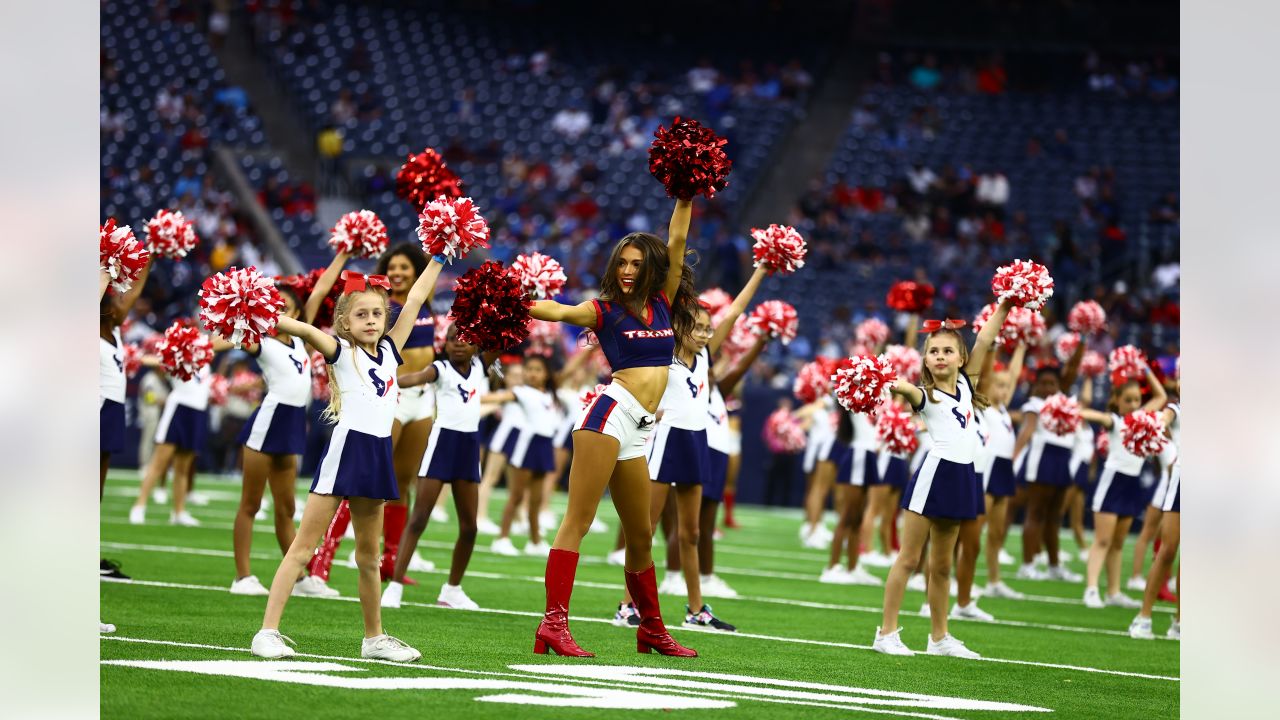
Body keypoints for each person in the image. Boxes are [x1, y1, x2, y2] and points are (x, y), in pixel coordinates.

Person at [528, 198, 700, 657]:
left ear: (652, 269)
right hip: (608, 414)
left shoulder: (663, 302)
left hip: (639, 429)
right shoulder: (603, 310)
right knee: (578, 521)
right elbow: (558, 311)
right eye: (621, 263)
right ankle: (552, 625)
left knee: (641, 533)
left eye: (636, 264)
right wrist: (511, 300)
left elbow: (678, 239)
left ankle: (651, 630)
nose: (626, 270)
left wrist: (684, 197)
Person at [249, 259, 445, 661]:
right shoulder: (340, 351)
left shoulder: (391, 348)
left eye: (377, 313)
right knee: (304, 548)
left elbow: (418, 297)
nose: (372, 320)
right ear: (344, 321)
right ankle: (267, 631)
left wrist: (439, 256)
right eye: (361, 315)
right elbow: (302, 328)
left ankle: (374, 638)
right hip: (347, 451)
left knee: (368, 556)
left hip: (376, 453)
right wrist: (255, 310)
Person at [613, 263, 769, 630]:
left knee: (693, 532)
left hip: (696, 441)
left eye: (706, 328)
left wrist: (761, 269)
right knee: (646, 529)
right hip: (666, 441)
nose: (703, 333)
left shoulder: (706, 355)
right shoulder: (663, 356)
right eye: (696, 327)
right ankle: (626, 605)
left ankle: (696, 610)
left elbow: (735, 310)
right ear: (679, 327)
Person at [872, 303, 1011, 658]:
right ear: (926, 358)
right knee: (909, 559)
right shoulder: (925, 394)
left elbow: (986, 337)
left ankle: (939, 638)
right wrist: (875, 378)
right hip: (933, 476)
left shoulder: (967, 384)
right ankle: (886, 633)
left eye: (948, 351)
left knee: (943, 565)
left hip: (963, 476)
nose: (940, 356)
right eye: (933, 351)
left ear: (962, 358)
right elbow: (899, 385)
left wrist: (1006, 304)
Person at [306, 245, 438, 587]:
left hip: (422, 401)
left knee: (402, 482)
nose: (397, 273)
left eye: (405, 267)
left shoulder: (427, 306)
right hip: (388, 397)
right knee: (360, 482)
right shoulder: (382, 310)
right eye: (391, 267)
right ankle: (324, 558)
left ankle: (391, 561)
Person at [228, 252, 350, 597]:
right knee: (250, 504)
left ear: (296, 312)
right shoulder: (261, 341)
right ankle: (242, 576)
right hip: (267, 424)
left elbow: (323, 287)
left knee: (287, 508)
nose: (281, 311)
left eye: (287, 306)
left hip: (294, 424)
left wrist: (345, 254)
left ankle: (299, 579)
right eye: (274, 306)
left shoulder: (300, 338)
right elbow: (229, 336)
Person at [381, 324, 501, 610]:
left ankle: (452, 589)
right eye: (451, 339)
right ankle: (395, 585)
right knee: (419, 517)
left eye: (465, 339)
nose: (458, 344)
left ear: (476, 345)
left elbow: (504, 337)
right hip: (442, 447)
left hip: (469, 448)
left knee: (470, 527)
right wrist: (388, 380)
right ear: (444, 344)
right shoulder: (440, 369)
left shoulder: (480, 367)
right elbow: (416, 377)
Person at [1079, 367, 1167, 608]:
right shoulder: (1115, 421)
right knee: (1103, 540)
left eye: (1137, 400)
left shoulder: (1141, 419)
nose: (1133, 404)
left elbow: (1160, 397)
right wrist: (1075, 411)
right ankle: (1092, 589)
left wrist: (1144, 370)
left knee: (1118, 543)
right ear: (1116, 400)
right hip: (1112, 483)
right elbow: (1092, 415)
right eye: (1127, 400)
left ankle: (1114, 591)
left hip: (1132, 484)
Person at [100, 259, 152, 601]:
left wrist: (145, 256)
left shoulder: (114, 330)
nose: (124, 304)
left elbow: (134, 291)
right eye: (115, 302)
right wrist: (106, 264)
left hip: (110, 411)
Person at [1013, 349, 1086, 582]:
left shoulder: (1063, 401)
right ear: (1036, 385)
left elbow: (1072, 369)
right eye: (1043, 383)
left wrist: (1082, 341)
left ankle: (1054, 566)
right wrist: (1013, 458)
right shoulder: (1033, 403)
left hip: (1062, 460)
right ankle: (1027, 565)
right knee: (1035, 513)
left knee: (1055, 517)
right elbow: (1027, 430)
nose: (1047, 387)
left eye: (1052, 383)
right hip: (1041, 460)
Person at [129, 357, 213, 527]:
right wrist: (137, 358)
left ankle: (179, 512)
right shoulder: (180, 349)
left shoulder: (205, 353)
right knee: (159, 463)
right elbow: (156, 360)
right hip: (178, 410)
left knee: (183, 467)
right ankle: (139, 506)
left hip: (198, 412)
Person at [1128, 401, 1180, 639]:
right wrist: (1156, 424)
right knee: (1168, 550)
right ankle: (1144, 617)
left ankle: (1180, 622)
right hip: (1182, 481)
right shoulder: (1177, 408)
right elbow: (1166, 417)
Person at [978, 345, 1026, 600]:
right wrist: (992, 349)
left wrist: (1022, 343)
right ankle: (957, 576)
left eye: (1006, 386)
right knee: (974, 528)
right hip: (988, 467)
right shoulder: (984, 404)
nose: (1004, 390)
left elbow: (1015, 374)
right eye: (999, 385)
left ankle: (994, 580)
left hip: (1004, 468)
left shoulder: (1004, 409)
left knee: (997, 532)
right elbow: (985, 375)